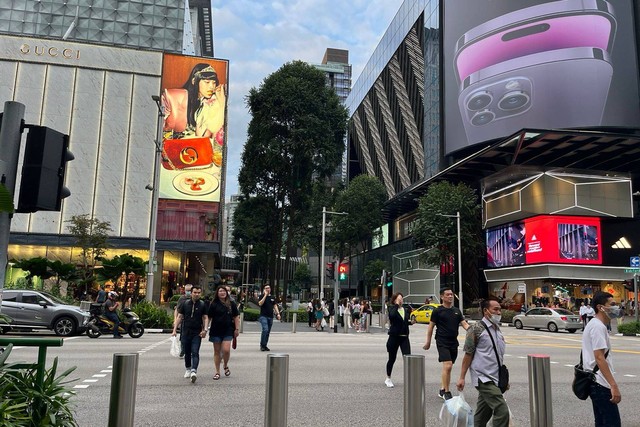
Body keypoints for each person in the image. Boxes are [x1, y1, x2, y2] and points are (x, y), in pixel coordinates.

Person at [456, 298, 509, 426]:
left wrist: (503, 380)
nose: (498, 312)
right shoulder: (476, 329)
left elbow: (498, 356)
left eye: (499, 309)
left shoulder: (497, 329)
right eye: (495, 309)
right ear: (486, 311)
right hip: (483, 378)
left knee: (481, 416)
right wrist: (462, 377)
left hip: (495, 377)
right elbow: (468, 354)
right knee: (502, 411)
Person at [582, 291, 622, 427]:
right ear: (600, 307)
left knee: (601, 422)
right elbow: (599, 357)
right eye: (612, 304)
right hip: (601, 383)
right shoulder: (598, 327)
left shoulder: (595, 324)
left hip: (596, 382)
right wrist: (613, 385)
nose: (615, 308)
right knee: (612, 423)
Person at [423, 287, 469, 400]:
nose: (450, 296)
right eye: (447, 295)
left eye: (451, 294)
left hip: (453, 342)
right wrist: (428, 342)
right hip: (442, 341)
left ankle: (442, 388)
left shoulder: (457, 311)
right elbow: (430, 327)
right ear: (442, 297)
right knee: (447, 365)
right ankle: (446, 392)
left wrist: (475, 330)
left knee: (448, 367)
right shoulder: (438, 311)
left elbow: (465, 325)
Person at [162, 63, 226, 141]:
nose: (211, 87)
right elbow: (157, 126)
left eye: (214, 82)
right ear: (194, 81)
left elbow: (214, 137)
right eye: (207, 82)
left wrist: (222, 103)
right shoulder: (172, 97)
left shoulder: (211, 103)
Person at [172, 285, 207, 383]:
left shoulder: (203, 304)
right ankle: (188, 368)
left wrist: (205, 330)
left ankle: (193, 371)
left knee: (195, 352)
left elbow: (205, 317)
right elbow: (180, 316)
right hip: (185, 331)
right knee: (187, 352)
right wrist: (175, 329)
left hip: (197, 332)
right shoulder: (185, 303)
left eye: (199, 292)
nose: (196, 294)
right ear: (191, 293)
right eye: (195, 292)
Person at [206, 285, 239, 380]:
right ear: (217, 293)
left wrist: (237, 329)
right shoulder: (213, 304)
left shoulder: (231, 304)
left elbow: (236, 317)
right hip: (216, 330)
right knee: (217, 352)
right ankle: (217, 371)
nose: (222, 293)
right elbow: (209, 317)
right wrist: (205, 328)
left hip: (228, 330)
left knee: (226, 350)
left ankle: (225, 365)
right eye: (220, 291)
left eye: (224, 291)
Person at [385, 292, 414, 388]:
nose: (401, 300)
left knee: (408, 358)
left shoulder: (405, 310)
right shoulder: (392, 308)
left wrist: (411, 322)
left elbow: (404, 321)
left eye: (402, 298)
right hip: (394, 337)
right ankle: (388, 378)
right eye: (399, 299)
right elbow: (392, 317)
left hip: (404, 337)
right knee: (392, 358)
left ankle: (409, 379)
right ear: (394, 300)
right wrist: (396, 304)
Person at [258, 284, 280, 351]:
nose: (268, 289)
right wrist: (265, 295)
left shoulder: (272, 297)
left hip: (270, 316)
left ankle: (265, 345)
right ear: (264, 289)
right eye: (266, 288)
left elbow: (275, 306)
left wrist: (278, 313)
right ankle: (262, 345)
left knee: (268, 332)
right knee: (265, 329)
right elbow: (260, 303)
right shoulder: (261, 296)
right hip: (263, 316)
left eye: (269, 288)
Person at [173, 284, 193, 358]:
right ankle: (183, 350)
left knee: (192, 337)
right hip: (183, 320)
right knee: (183, 336)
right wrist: (175, 320)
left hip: (193, 321)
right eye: (187, 290)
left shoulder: (195, 298)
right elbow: (177, 310)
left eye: (190, 290)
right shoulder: (182, 299)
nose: (188, 292)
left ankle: (190, 350)